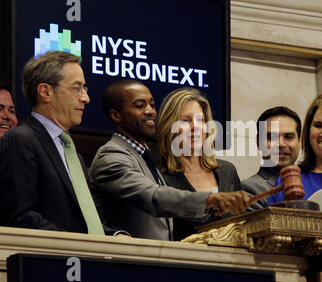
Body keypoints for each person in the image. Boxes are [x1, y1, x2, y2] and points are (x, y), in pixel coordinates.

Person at [88, 80, 251, 241]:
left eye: (152, 105)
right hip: (148, 260)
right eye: (186, 121)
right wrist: (211, 199)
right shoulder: (112, 156)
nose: (150, 111)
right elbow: (155, 197)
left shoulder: (144, 157)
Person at [0, 51, 121, 235]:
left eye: (84, 89)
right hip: (52, 260)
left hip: (86, 260)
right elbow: (20, 216)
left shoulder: (74, 155)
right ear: (45, 92)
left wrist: (115, 236)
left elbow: (87, 224)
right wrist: (74, 245)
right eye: (76, 88)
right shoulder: (21, 140)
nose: (85, 98)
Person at [156, 87, 241, 241]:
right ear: (169, 127)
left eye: (200, 120)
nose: (196, 127)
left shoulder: (227, 171)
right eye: (186, 120)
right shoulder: (159, 179)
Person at [241, 106, 301, 208]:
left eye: (288, 137)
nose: (281, 144)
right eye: (271, 137)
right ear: (258, 142)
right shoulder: (247, 191)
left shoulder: (313, 182)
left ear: (300, 142)